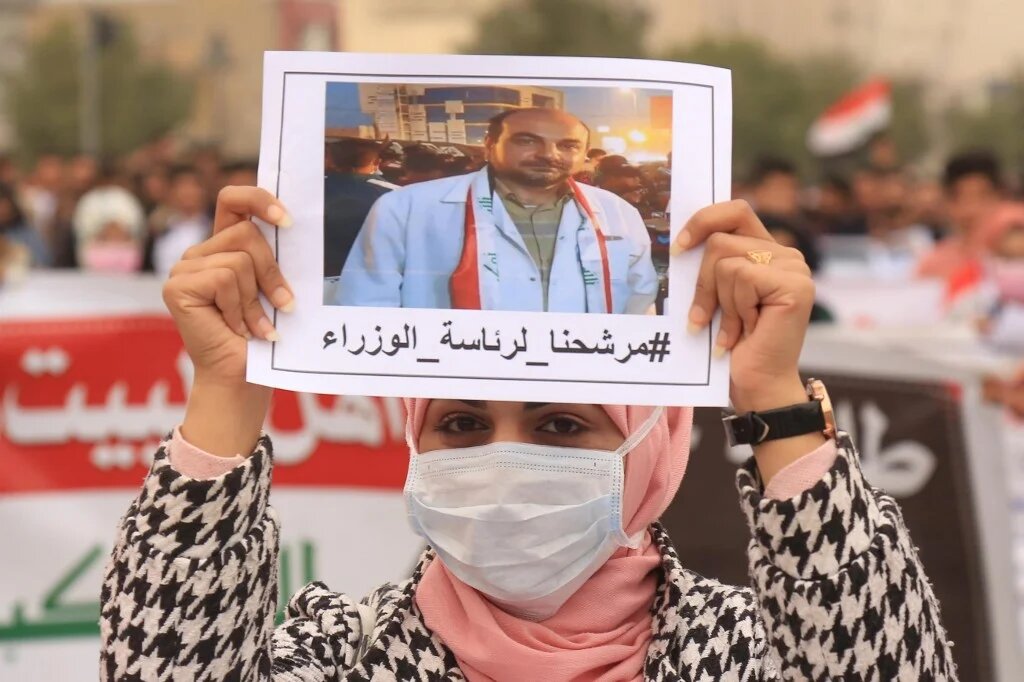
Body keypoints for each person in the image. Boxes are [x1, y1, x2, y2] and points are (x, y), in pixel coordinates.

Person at [99, 186, 957, 680]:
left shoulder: (742, 652)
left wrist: (773, 395)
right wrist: (228, 384)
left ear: (652, 446)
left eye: (562, 424)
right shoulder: (340, 655)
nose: (504, 459)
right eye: (462, 423)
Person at [336, 108, 657, 314]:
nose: (549, 154)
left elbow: (639, 306)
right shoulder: (405, 208)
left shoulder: (618, 213)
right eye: (527, 141)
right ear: (490, 146)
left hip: (583, 383)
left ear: (585, 154)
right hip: (448, 385)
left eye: (568, 145)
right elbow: (365, 307)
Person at [322, 138, 397, 293]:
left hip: (317, 276)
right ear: (377, 162)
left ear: (330, 160)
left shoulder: (307, 189)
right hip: (375, 281)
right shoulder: (398, 194)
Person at [917, 150, 1004, 280]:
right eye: (959, 198)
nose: (970, 211)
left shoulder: (1017, 258)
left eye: (981, 197)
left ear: (999, 197)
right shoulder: (932, 264)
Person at [152, 166, 213, 276]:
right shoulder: (160, 230)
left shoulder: (213, 228)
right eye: (181, 187)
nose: (187, 192)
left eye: (192, 186)